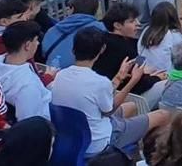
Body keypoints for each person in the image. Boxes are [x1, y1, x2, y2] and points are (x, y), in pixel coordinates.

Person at [51, 26, 169, 157]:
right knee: (163, 115)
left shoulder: (60, 76)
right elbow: (109, 110)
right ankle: (151, 157)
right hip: (99, 141)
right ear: (101, 50)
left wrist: (119, 77)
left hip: (75, 135)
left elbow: (101, 96)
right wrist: (133, 80)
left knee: (131, 106)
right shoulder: (98, 82)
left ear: (73, 50)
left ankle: (128, 151)